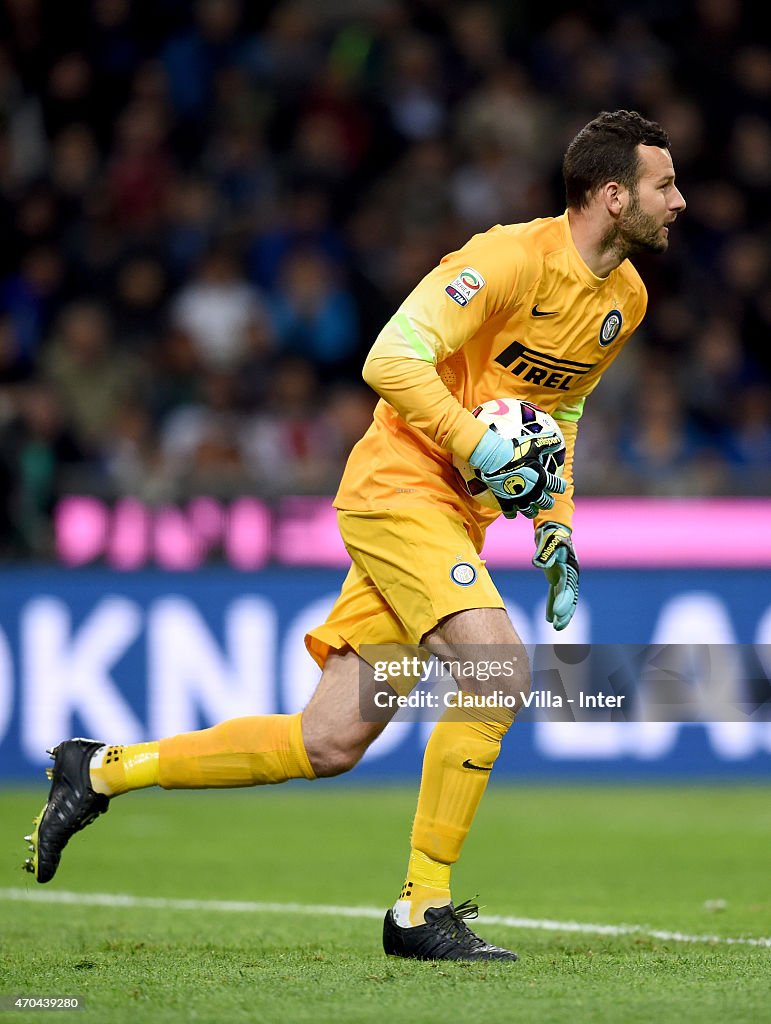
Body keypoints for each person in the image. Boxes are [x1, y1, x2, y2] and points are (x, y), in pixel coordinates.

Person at [23, 110, 685, 962]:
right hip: (399, 492)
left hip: (457, 520)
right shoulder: (508, 259)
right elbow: (389, 359)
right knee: (497, 672)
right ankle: (420, 911)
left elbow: (559, 410)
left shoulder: (623, 301)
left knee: (327, 741)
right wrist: (477, 443)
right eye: (662, 185)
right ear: (611, 194)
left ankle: (101, 769)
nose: (678, 202)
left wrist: (554, 522)